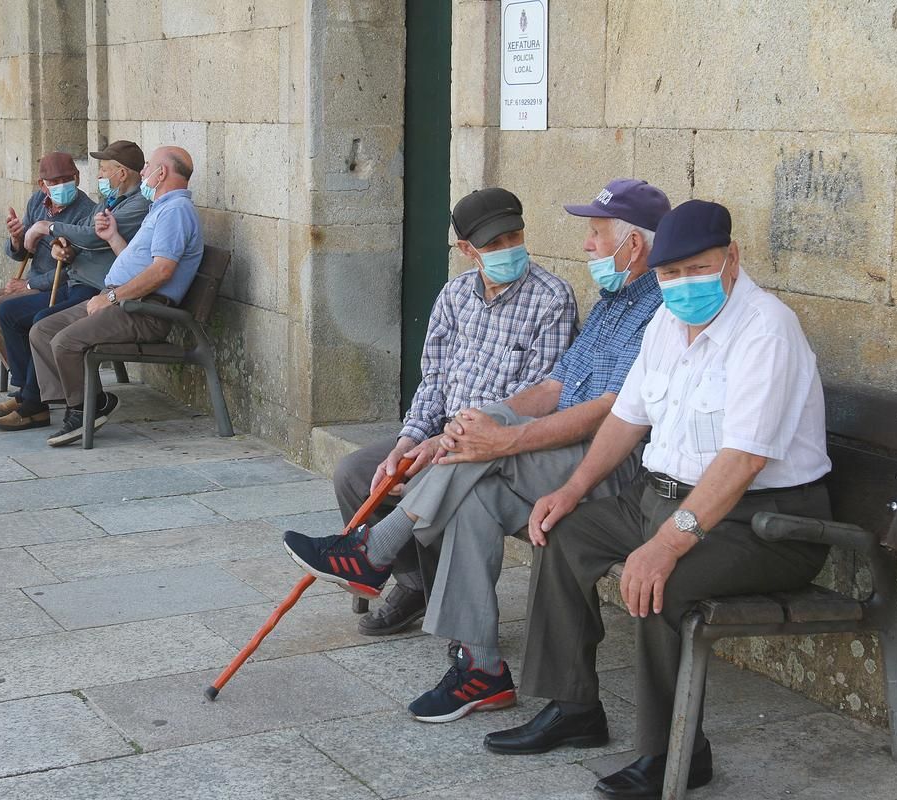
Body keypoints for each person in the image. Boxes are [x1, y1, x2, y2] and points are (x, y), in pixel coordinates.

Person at [284, 180, 670, 724]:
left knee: (479, 454)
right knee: (472, 496)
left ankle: (375, 550)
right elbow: (555, 386)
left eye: (595, 232)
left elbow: (613, 410)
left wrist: (498, 436)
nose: (585, 244)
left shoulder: (655, 308)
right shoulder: (613, 300)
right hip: (552, 440)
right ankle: (482, 668)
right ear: (466, 248)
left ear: (634, 245)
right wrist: (484, 421)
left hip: (606, 459)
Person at [485, 200, 833, 800]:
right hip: (662, 498)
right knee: (564, 533)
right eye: (669, 274)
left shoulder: (766, 329)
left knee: (660, 581)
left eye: (696, 269)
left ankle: (674, 752)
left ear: (732, 259)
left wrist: (667, 545)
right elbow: (626, 418)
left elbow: (744, 458)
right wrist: (570, 490)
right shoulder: (666, 324)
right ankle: (573, 709)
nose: (681, 284)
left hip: (767, 525)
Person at [27, 145, 203, 447]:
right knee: (43, 330)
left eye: (148, 167)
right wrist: (114, 238)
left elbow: (162, 272)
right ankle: (87, 402)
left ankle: (83, 410)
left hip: (144, 310)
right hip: (125, 300)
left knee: (65, 341)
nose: (144, 172)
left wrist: (110, 298)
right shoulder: (162, 209)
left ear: (161, 174)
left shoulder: (176, 211)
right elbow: (139, 265)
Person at [0, 141, 150, 430]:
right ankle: (27, 392)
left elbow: (92, 236)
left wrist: (47, 230)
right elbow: (71, 244)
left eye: (103, 169)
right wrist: (55, 247)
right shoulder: (107, 200)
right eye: (54, 181)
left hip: (91, 286)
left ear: (122, 173)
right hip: (76, 278)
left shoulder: (136, 205)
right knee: (7, 312)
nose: (99, 175)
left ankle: (34, 402)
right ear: (42, 184)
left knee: (42, 322)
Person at [0, 152, 96, 375]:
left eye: (67, 179)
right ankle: (27, 372)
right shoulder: (37, 201)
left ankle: (31, 382)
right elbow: (23, 254)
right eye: (54, 182)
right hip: (33, 280)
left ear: (77, 177)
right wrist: (16, 239)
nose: (62, 185)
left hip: (59, 286)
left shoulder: (86, 211)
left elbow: (75, 269)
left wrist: (29, 286)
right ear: (43, 185)